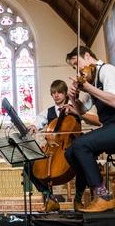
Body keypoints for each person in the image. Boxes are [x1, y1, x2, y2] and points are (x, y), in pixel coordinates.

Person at [64, 46, 115, 213]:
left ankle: (103, 196)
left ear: (88, 56)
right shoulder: (92, 81)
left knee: (80, 145)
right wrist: (73, 98)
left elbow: (114, 101)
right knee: (70, 152)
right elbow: (82, 112)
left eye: (77, 64)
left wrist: (87, 87)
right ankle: (80, 197)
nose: (77, 70)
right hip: (112, 126)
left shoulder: (107, 70)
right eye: (73, 68)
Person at [26, 80, 99, 212]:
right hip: (53, 149)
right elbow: (37, 122)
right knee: (28, 165)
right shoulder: (47, 112)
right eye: (53, 93)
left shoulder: (76, 107)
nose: (56, 95)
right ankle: (50, 198)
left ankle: (77, 200)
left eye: (59, 92)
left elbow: (94, 119)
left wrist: (76, 112)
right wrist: (33, 126)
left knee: (82, 160)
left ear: (65, 93)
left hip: (72, 147)